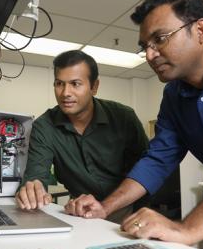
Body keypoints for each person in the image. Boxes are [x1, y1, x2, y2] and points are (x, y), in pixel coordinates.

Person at [64, 0, 203, 245]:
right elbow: (157, 160)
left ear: (200, 30)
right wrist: (105, 207)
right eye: (145, 46)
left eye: (161, 38)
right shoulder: (174, 96)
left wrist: (185, 229)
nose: (150, 55)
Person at [15, 50, 148, 223]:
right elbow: (36, 174)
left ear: (94, 87)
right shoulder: (44, 126)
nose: (65, 93)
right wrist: (33, 189)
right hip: (81, 213)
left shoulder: (124, 117)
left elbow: (146, 171)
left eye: (75, 84)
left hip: (127, 210)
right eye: (59, 84)